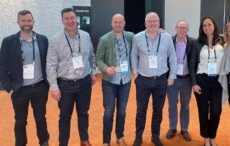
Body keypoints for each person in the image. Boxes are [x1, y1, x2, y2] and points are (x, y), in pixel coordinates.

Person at [46, 8, 97, 146]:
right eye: (66, 18)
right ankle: (63, 143)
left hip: (85, 82)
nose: (70, 21)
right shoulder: (55, 40)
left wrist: (93, 72)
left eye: (72, 18)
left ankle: (84, 140)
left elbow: (91, 56)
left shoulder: (85, 36)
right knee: (64, 116)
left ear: (76, 18)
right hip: (65, 85)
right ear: (62, 21)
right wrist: (54, 87)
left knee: (83, 113)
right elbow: (50, 65)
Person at [0, 10, 50, 146]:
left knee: (41, 118)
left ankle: (44, 142)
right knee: (20, 121)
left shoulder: (42, 39)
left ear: (33, 22)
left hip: (40, 88)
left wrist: (48, 84)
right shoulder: (8, 42)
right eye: (23, 21)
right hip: (19, 90)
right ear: (18, 22)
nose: (26, 23)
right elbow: (2, 66)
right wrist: (8, 87)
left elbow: (48, 62)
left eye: (29, 21)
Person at [131, 12, 177, 146]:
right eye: (149, 21)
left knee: (158, 110)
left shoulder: (167, 37)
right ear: (145, 23)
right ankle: (138, 136)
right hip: (143, 80)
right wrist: (135, 72)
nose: (152, 23)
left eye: (155, 21)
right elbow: (133, 56)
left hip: (161, 80)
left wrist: (172, 76)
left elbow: (172, 57)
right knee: (141, 110)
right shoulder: (137, 37)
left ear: (159, 23)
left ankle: (155, 136)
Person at [95, 14, 134, 146]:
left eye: (120, 22)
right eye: (115, 22)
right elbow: (98, 59)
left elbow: (144, 36)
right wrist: (105, 68)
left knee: (122, 110)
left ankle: (120, 136)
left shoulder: (130, 37)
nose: (118, 24)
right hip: (110, 82)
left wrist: (160, 32)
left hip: (126, 80)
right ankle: (106, 141)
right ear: (111, 23)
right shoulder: (104, 39)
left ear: (124, 23)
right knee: (109, 111)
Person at [190, 16, 224, 146]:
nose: (207, 27)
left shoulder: (222, 41)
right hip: (202, 80)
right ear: (201, 28)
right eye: (204, 25)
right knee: (203, 111)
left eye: (209, 24)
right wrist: (194, 83)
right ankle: (206, 138)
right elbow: (192, 63)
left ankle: (212, 135)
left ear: (214, 25)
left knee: (216, 111)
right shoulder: (197, 43)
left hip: (218, 81)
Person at [165, 20, 194, 141]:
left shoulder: (193, 42)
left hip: (186, 79)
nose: (182, 30)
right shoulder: (169, 41)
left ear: (187, 30)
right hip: (172, 78)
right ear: (175, 28)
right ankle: (172, 127)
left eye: (184, 28)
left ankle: (184, 128)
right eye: (180, 27)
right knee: (172, 105)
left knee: (185, 105)